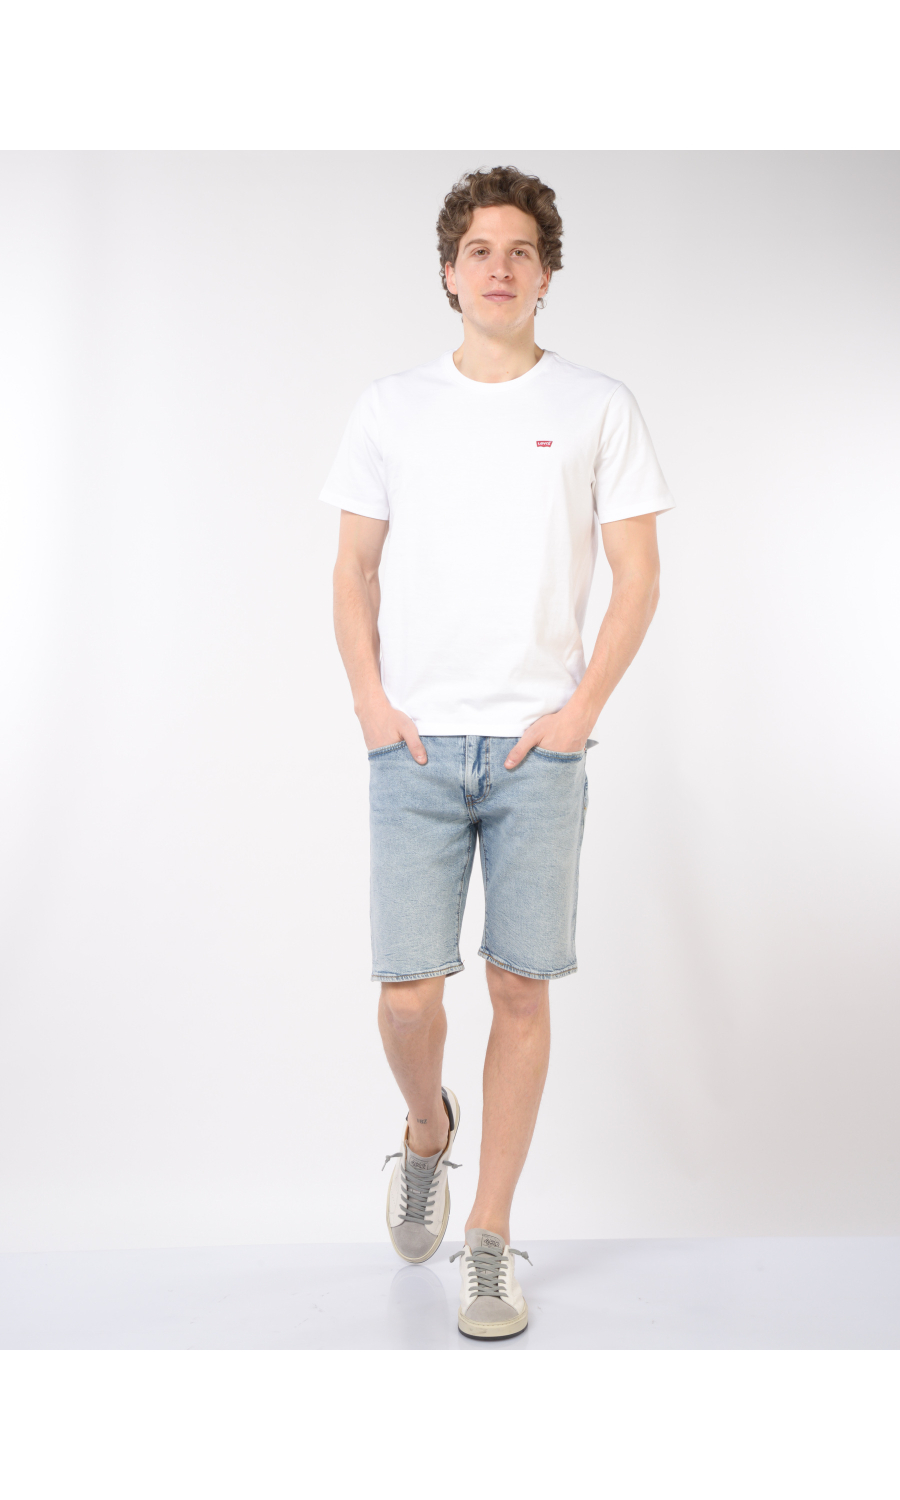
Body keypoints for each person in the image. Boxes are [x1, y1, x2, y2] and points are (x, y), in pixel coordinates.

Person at [321, 165, 674, 1340]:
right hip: (417, 746)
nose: (500, 267)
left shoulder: (597, 404)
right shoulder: (391, 407)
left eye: (522, 249)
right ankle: (428, 1131)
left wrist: (577, 713)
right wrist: (373, 706)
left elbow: (638, 576)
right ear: (448, 271)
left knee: (520, 987)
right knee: (407, 999)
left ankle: (489, 1235)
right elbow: (352, 567)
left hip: (536, 749)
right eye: (480, 249)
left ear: (548, 272)